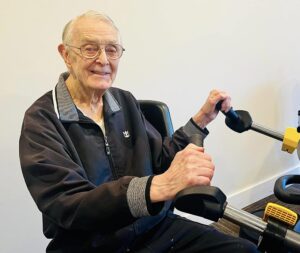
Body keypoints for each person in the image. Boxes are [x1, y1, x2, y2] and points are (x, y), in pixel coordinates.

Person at [19, 10, 257, 253]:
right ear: (66, 54)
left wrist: (201, 120)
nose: (103, 60)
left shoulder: (124, 101)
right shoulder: (41, 120)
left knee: (245, 250)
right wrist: (158, 187)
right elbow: (69, 205)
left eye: (112, 49)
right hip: (90, 244)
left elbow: (160, 160)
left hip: (153, 229)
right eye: (90, 48)